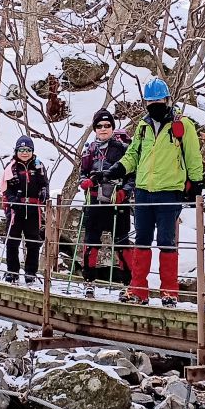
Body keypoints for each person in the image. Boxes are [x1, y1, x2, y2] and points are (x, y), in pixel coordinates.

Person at [104, 78, 203, 307]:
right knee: (142, 240)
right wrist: (117, 169)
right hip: (143, 191)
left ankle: (169, 292)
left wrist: (196, 184)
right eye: (150, 101)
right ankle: (138, 290)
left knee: (167, 241)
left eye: (158, 100)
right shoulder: (143, 126)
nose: (154, 105)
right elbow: (133, 155)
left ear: (167, 100)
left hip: (169, 191)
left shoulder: (182, 125)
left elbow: (193, 155)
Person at [79, 109, 135, 300]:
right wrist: (85, 183)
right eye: (99, 126)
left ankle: (127, 285)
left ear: (112, 127)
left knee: (121, 243)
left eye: (107, 125)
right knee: (91, 242)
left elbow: (132, 175)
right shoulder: (89, 150)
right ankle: (89, 282)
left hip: (117, 202)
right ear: (94, 128)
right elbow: (82, 172)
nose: (103, 129)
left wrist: (125, 192)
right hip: (95, 200)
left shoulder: (122, 148)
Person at [0, 135, 49, 285]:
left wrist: (44, 194)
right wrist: (12, 200)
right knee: (12, 240)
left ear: (32, 151)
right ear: (16, 151)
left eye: (28, 150)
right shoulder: (11, 166)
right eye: (21, 150)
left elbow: (44, 184)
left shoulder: (38, 166)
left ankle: (30, 272)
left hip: (33, 208)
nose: (25, 153)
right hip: (16, 208)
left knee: (33, 241)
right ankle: (12, 271)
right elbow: (5, 187)